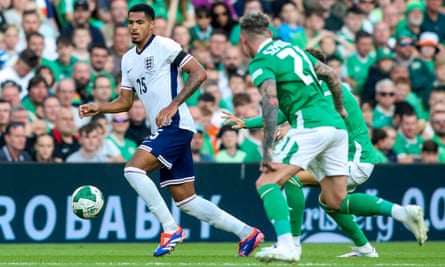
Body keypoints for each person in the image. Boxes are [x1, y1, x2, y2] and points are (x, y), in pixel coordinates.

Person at [238, 12, 428, 263]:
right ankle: (400, 215)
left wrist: (266, 151)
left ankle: (289, 243)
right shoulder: (295, 51)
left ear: (243, 40)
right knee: (334, 200)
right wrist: (339, 107)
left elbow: (272, 101)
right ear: (270, 34)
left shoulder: (262, 61)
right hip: (336, 130)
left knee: (268, 181)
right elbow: (331, 74)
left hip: (328, 136)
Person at [78, 4, 263, 258]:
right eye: (130, 22)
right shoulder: (128, 58)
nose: (134, 27)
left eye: (140, 22)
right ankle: (247, 233)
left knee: (133, 169)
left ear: (152, 24)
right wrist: (99, 108)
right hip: (165, 129)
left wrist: (174, 104)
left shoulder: (165, 45)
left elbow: (199, 72)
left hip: (175, 125)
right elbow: (125, 102)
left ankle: (170, 229)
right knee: (187, 201)